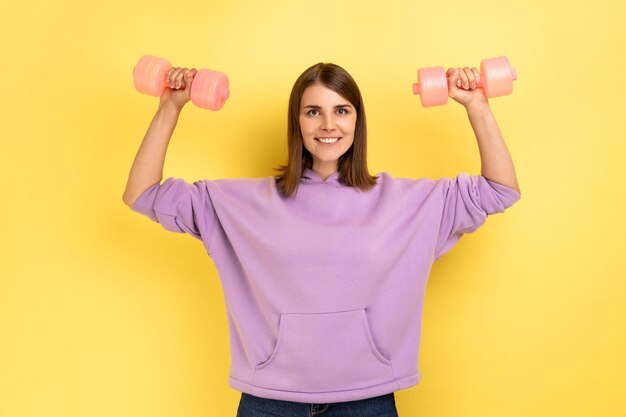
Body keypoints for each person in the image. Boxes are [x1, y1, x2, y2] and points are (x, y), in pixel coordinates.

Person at [123, 62, 521, 417]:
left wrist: (477, 106)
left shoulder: (408, 202)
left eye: (341, 111)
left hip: (368, 401)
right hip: (269, 403)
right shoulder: (240, 204)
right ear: (297, 121)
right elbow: (142, 194)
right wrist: (169, 107)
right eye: (314, 111)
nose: (328, 125)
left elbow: (499, 190)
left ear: (357, 121)